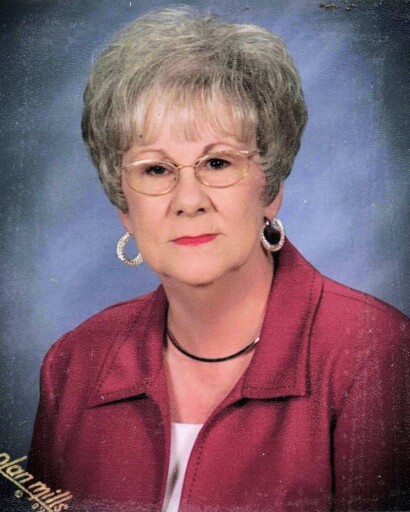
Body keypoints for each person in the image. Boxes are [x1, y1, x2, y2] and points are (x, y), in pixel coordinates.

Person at [28, 7, 409, 512]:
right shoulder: (74, 364)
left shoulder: (375, 354)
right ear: (124, 205)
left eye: (217, 162)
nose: (189, 200)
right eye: (156, 169)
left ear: (270, 189)